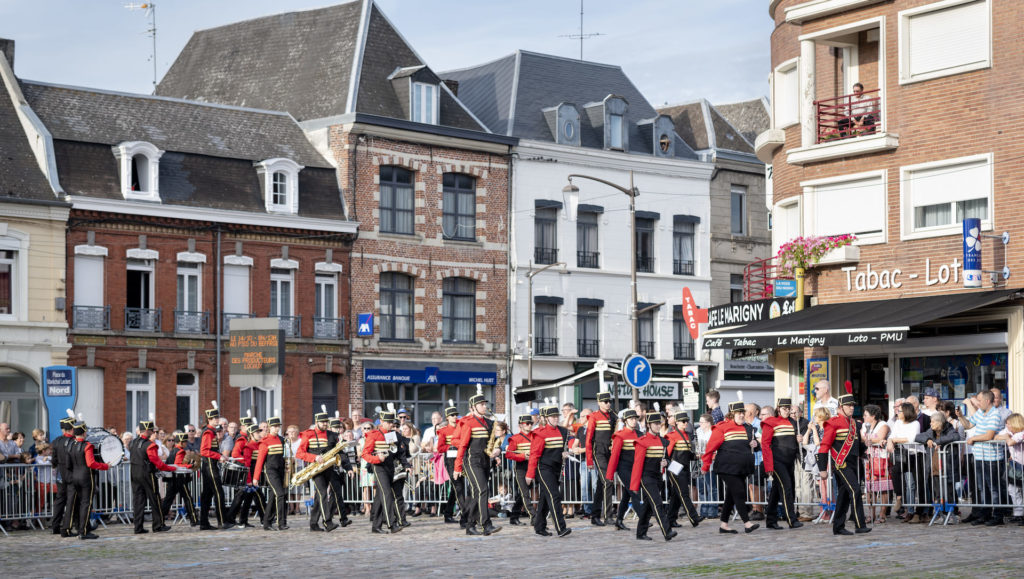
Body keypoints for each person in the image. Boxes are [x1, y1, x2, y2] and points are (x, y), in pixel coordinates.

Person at [702, 400, 758, 534]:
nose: (741, 415)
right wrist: (705, 465)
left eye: (742, 413)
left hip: (742, 468)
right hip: (726, 467)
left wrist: (756, 444)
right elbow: (710, 448)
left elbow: (755, 447)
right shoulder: (722, 427)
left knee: (730, 496)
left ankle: (724, 525)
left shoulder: (748, 428)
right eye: (738, 413)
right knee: (739, 492)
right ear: (732, 414)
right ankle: (747, 523)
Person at [817, 393, 870, 535]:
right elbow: (824, 446)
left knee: (844, 495)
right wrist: (822, 468)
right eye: (848, 405)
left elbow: (857, 446)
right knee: (855, 490)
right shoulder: (833, 422)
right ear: (841, 407)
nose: (852, 408)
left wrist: (865, 444)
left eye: (853, 405)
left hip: (853, 463)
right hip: (841, 463)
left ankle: (838, 526)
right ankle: (860, 525)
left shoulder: (855, 424)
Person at [956, 390, 1010, 526]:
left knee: (993, 488)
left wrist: (973, 438)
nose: (977, 404)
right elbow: (968, 425)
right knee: (982, 488)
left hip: (992, 458)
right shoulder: (981, 412)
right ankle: (985, 514)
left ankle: (998, 515)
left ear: (987, 401)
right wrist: (961, 416)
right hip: (979, 455)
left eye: (979, 401)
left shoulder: (995, 414)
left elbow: (989, 435)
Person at [453, 389, 502, 536]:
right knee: (482, 490)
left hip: (485, 460)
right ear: (473, 407)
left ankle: (469, 525)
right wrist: (457, 467)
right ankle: (486, 525)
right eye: (481, 404)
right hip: (471, 461)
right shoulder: (467, 423)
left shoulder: (489, 422)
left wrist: (497, 451)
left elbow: (491, 443)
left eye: (484, 403)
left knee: (477, 494)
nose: (484, 406)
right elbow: (460, 444)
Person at [525, 401, 572, 538]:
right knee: (554, 496)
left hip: (556, 468)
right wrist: (530, 474)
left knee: (545, 499)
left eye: (557, 415)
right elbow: (534, 454)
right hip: (544, 468)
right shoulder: (540, 433)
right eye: (552, 416)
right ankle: (561, 528)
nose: (556, 418)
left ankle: (539, 526)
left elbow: (563, 449)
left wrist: (565, 453)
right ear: (546, 418)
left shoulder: (563, 431)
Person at [630, 412, 677, 541]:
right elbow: (637, 464)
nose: (658, 426)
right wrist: (634, 485)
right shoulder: (642, 442)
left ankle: (640, 533)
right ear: (649, 425)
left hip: (658, 477)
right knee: (657, 503)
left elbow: (667, 459)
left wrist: (665, 462)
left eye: (659, 423)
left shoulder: (663, 441)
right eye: (655, 424)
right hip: (646, 477)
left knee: (647, 506)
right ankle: (667, 531)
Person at [761, 398, 803, 530]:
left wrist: (798, 440)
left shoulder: (792, 422)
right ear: (778, 409)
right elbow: (765, 444)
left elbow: (791, 443)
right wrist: (768, 466)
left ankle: (771, 520)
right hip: (777, 461)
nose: (787, 411)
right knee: (787, 488)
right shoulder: (770, 422)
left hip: (789, 461)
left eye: (788, 408)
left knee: (776, 492)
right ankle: (791, 519)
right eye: (784, 408)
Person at [296, 408, 341, 533]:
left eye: (326, 422)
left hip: (327, 467)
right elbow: (299, 453)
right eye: (322, 422)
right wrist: (314, 457)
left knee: (318, 497)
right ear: (316, 422)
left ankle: (313, 523)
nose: (325, 424)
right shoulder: (308, 434)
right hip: (315, 469)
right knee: (322, 493)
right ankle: (328, 522)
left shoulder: (329, 434)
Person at [63, 420, 109, 540]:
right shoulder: (87, 445)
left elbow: (68, 465)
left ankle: (80, 528)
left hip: (75, 477)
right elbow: (91, 463)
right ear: (84, 433)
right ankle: (83, 531)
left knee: (79, 504)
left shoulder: (70, 445)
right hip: (86, 478)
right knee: (86, 504)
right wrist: (105, 466)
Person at [130, 419, 174, 534]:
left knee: (138, 501)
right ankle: (158, 525)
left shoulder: (133, 442)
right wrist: (171, 468)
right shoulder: (150, 446)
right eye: (152, 430)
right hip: (147, 474)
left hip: (134, 473)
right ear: (149, 431)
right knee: (155, 499)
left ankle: (138, 527)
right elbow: (157, 463)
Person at [362, 408, 402, 534]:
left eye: (392, 423)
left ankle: (376, 525)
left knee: (380, 497)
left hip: (389, 467)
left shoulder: (391, 434)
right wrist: (377, 458)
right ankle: (391, 524)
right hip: (379, 467)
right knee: (387, 494)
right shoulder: (373, 434)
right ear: (382, 421)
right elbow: (365, 454)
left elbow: (394, 451)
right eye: (389, 422)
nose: (391, 425)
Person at [665, 410, 702, 528]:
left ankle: (670, 519)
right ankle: (694, 517)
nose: (686, 423)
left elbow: (686, 454)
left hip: (684, 468)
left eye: (687, 421)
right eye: (683, 421)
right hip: (675, 468)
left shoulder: (686, 435)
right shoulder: (672, 436)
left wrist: (695, 457)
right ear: (677, 423)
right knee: (684, 493)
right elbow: (667, 454)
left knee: (676, 496)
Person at [605, 407, 640, 531]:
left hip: (635, 469)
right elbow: (614, 456)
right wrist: (609, 475)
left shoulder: (639, 434)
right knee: (634, 492)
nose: (634, 421)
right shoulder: (619, 435)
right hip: (624, 468)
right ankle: (643, 518)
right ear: (625, 421)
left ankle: (619, 520)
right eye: (631, 419)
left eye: (635, 418)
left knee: (626, 494)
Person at [585, 390, 617, 527]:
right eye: (605, 401)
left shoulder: (614, 416)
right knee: (608, 481)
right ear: (599, 403)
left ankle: (595, 515)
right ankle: (608, 515)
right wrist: (589, 459)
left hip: (609, 452)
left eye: (609, 401)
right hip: (598, 452)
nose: (608, 403)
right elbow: (588, 439)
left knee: (601, 485)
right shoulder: (594, 417)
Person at [888, 402, 924, 523]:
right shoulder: (897, 423)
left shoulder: (915, 423)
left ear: (906, 412)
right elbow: (892, 435)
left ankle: (914, 511)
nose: (898, 412)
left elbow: (911, 438)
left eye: (900, 411)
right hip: (902, 454)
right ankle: (900, 498)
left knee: (912, 484)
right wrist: (890, 440)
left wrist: (894, 440)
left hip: (915, 455)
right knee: (895, 472)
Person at [198, 402, 231, 530]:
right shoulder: (208, 432)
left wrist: (221, 455)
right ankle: (222, 521)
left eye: (217, 418)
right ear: (210, 419)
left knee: (207, 494)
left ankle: (204, 523)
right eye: (215, 418)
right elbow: (204, 451)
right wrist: (219, 456)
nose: (217, 420)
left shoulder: (211, 431)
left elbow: (211, 449)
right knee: (219, 493)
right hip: (209, 465)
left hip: (210, 464)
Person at [253, 413, 288, 531]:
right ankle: (281, 523)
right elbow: (260, 461)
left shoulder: (282, 440)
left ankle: (267, 523)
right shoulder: (265, 441)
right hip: (271, 471)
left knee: (274, 497)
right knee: (280, 494)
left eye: (278, 426)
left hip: (281, 471)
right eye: (274, 426)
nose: (276, 428)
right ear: (269, 427)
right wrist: (256, 477)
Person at [435, 401, 466, 526]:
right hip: (450, 460)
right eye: (452, 415)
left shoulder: (462, 427)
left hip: (462, 458)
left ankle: (448, 513)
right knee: (458, 487)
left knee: (457, 488)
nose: (455, 417)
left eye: (456, 415)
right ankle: (466, 514)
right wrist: (451, 446)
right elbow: (440, 448)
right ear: (447, 417)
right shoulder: (443, 431)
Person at [860, 404, 892, 524]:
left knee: (883, 487)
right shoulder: (864, 425)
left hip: (882, 458)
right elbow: (862, 437)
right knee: (870, 487)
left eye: (866, 415)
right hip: (869, 458)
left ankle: (882, 513)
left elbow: (880, 436)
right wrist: (870, 439)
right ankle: (871, 513)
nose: (863, 417)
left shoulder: (883, 425)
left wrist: (870, 439)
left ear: (873, 416)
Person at [505, 414, 537, 526]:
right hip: (521, 467)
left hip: (534, 466)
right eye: (527, 423)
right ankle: (534, 516)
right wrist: (523, 456)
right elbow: (509, 454)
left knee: (522, 494)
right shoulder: (515, 438)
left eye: (531, 423)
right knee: (525, 493)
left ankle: (514, 516)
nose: (529, 425)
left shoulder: (536, 436)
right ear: (520, 425)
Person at [161, 432, 198, 526]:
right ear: (182, 443)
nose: (186, 444)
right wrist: (190, 465)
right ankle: (194, 520)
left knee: (167, 500)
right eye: (185, 442)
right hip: (180, 479)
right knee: (188, 498)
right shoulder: (180, 451)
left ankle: (159, 520)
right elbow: (178, 464)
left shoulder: (173, 450)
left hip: (173, 479)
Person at [49, 413, 76, 535]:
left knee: (59, 501)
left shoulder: (56, 441)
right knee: (70, 501)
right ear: (71, 429)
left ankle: (55, 526)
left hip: (60, 474)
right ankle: (66, 528)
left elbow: (53, 460)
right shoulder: (73, 441)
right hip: (71, 474)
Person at [995, 413, 1024, 526]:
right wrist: (1006, 436)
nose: (1006, 425)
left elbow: (1011, 442)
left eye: (1008, 423)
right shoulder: (1009, 432)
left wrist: (1007, 437)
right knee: (1013, 489)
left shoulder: (1021, 433)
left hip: (1021, 464)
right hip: (1015, 466)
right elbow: (996, 437)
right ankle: (1019, 513)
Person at [694, 413, 718, 519]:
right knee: (701, 487)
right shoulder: (698, 431)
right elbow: (696, 445)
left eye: (702, 422)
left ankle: (712, 510)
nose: (700, 424)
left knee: (711, 487)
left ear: (708, 423)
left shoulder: (713, 432)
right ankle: (703, 510)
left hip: (710, 462)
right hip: (699, 461)